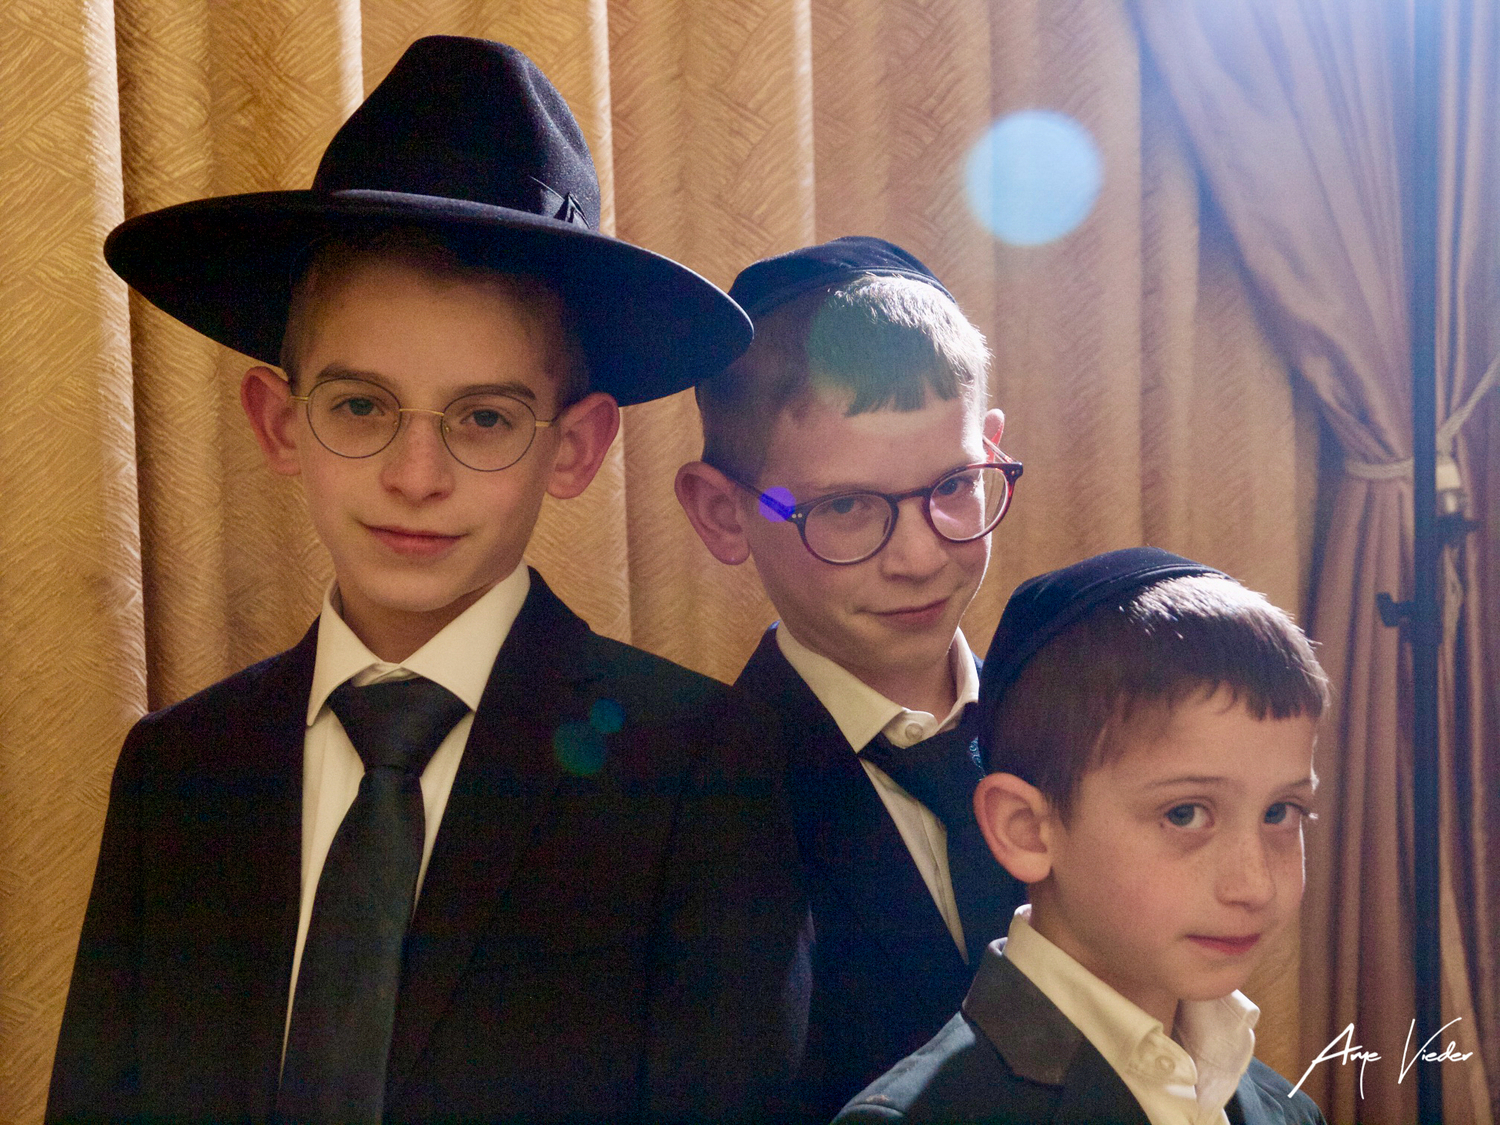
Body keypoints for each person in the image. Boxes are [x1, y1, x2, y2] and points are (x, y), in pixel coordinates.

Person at [47, 36, 809, 1124]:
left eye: (484, 418)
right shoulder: (178, 773)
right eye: (360, 406)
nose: (416, 477)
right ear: (281, 422)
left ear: (576, 448)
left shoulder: (701, 774)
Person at [675, 237, 1028, 1119]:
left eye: (955, 485)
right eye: (843, 506)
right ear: (723, 512)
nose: (919, 556)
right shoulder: (689, 813)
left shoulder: (1075, 738)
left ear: (990, 445)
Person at [833, 546, 1330, 1124]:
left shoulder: (1289, 1112)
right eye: (1185, 814)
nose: (1255, 886)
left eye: (1281, 813)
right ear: (1027, 831)